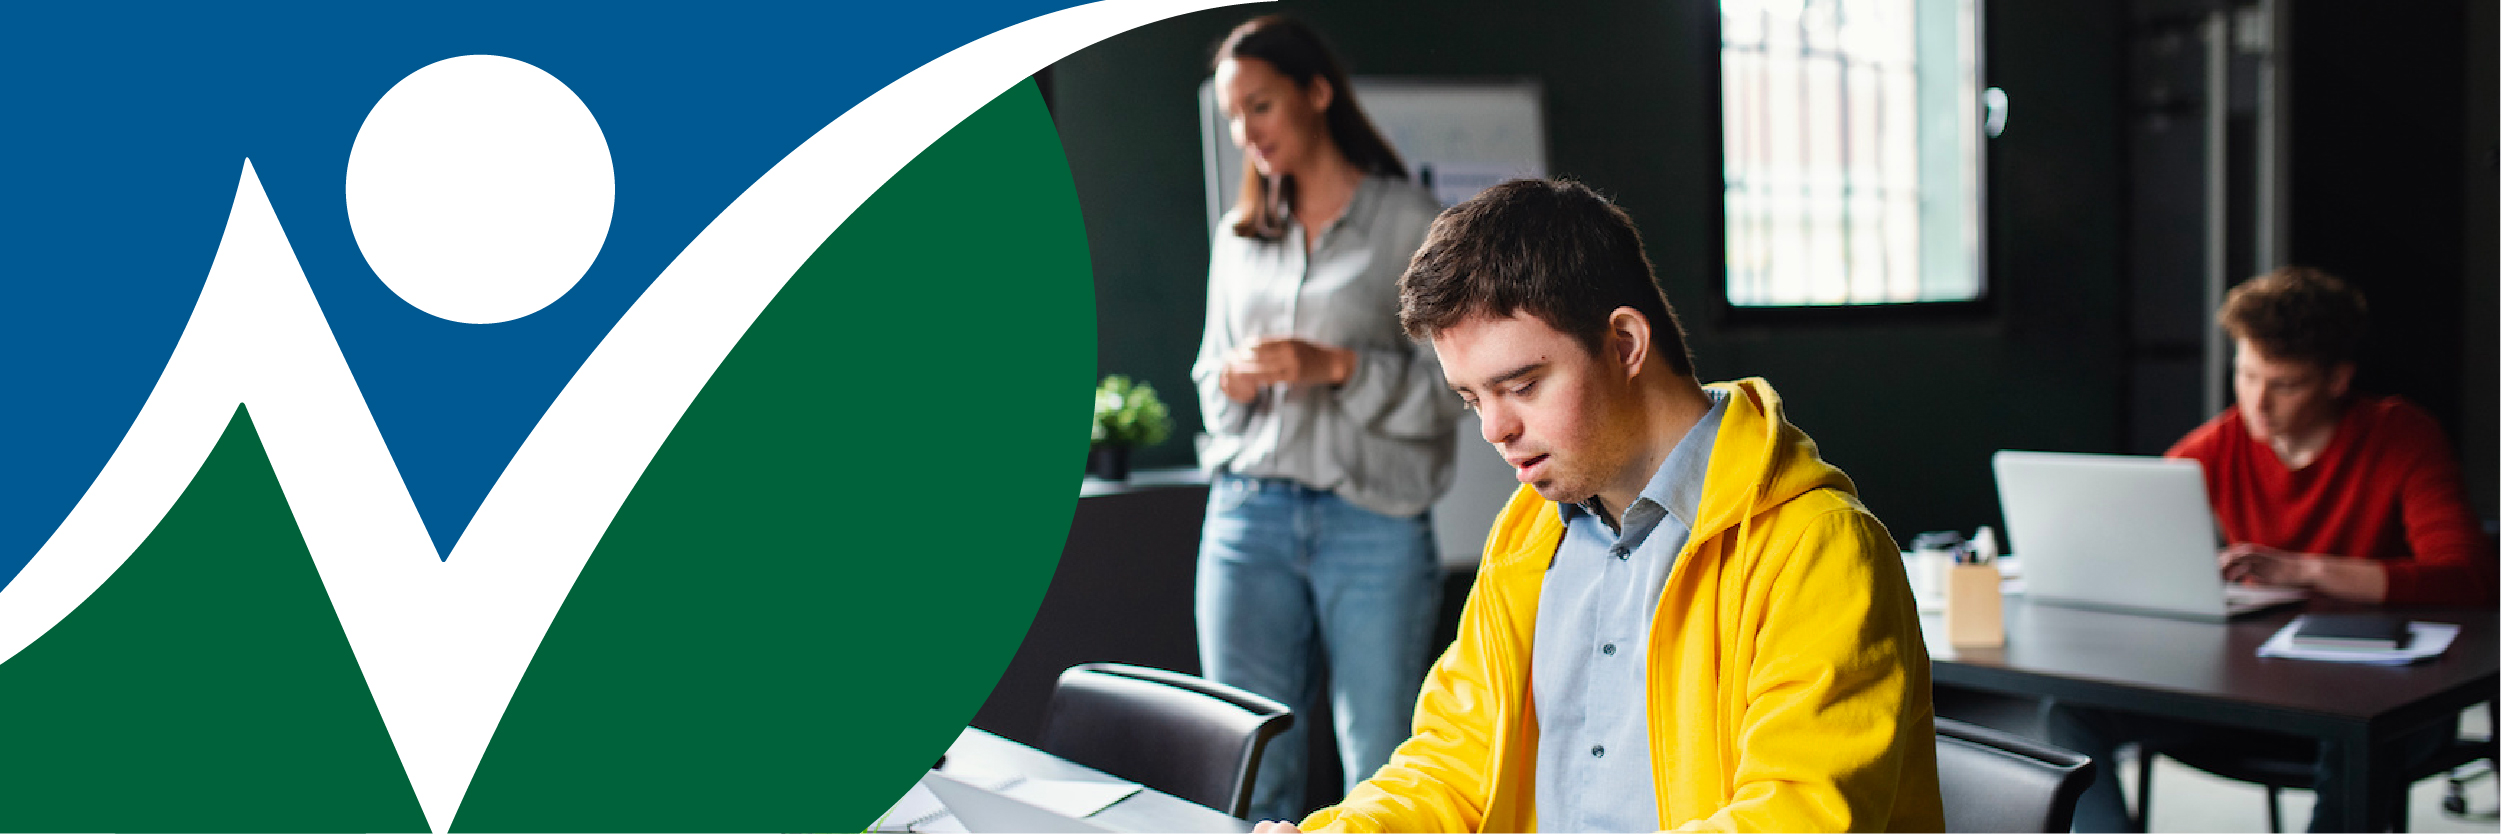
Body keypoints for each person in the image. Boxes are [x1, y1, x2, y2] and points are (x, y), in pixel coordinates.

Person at [1258, 178, 1943, 833]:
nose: (1493, 431)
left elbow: (1796, 817)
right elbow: (1453, 759)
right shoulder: (1527, 534)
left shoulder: (1817, 547)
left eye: (1521, 386)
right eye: (1472, 400)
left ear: (1624, 344)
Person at [2047, 265, 2498, 832]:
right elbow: (2130, 542)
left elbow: (2468, 576)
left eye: (2284, 385)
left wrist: (2306, 571)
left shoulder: (2401, 436)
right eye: (2247, 375)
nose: (2258, 404)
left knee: (2352, 728)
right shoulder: (2220, 444)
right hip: (2252, 697)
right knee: (2071, 715)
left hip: (2384, 704)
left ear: (2337, 380)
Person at [1190, 15, 1461, 823]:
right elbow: (1207, 377)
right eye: (1234, 117)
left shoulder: (1411, 222)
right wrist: (1234, 383)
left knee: (1378, 760)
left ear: (1316, 93)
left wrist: (1337, 368)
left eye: (1261, 107)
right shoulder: (1238, 237)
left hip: (1372, 523)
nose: (1247, 132)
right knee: (1247, 760)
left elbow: (1455, 388)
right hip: (1247, 518)